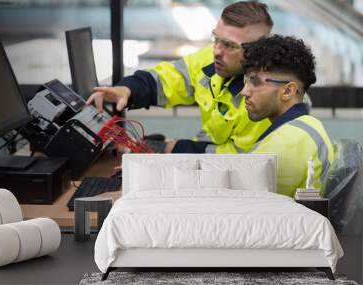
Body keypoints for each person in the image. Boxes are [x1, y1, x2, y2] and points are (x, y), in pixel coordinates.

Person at [87, 1, 273, 153]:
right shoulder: (211, 61)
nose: (216, 51)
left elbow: (238, 162)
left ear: (256, 50)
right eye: (216, 39)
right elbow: (170, 78)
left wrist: (175, 149)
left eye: (229, 45)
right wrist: (128, 89)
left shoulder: (265, 96)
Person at [229, 34, 333, 197]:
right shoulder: (307, 125)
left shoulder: (289, 141)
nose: (244, 91)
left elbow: (241, 202)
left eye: (255, 82)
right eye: (246, 80)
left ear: (288, 91)